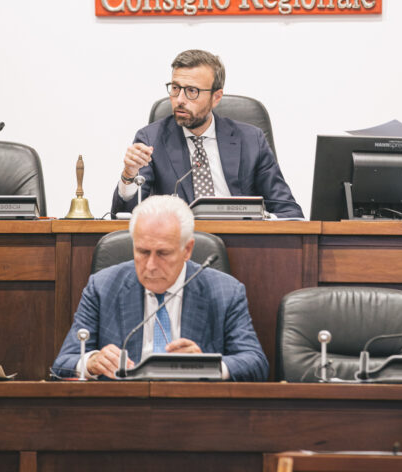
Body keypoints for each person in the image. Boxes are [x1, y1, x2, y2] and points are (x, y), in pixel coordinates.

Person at [52, 196, 269, 381]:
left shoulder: (225, 291)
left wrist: (205, 365)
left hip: (193, 408)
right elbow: (62, 364)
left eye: (163, 253)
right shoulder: (102, 287)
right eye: (143, 252)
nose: (151, 265)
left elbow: (255, 363)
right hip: (122, 407)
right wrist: (92, 362)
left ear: (187, 250)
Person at [112, 49, 303, 218]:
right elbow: (126, 216)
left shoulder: (251, 140)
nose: (180, 99)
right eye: (175, 88)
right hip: (181, 240)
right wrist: (129, 175)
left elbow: (289, 212)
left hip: (242, 238)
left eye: (192, 91)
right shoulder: (151, 139)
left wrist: (262, 221)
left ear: (216, 97)